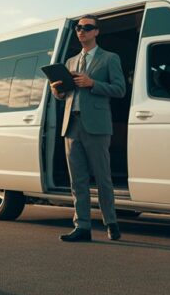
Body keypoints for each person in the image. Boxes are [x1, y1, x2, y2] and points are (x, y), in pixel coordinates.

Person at [49, 15, 126, 242]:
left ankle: (110, 222)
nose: (81, 31)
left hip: (98, 126)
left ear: (96, 32)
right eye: (78, 27)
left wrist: (93, 83)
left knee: (103, 179)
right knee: (77, 181)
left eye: (87, 27)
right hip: (71, 126)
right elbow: (66, 94)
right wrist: (58, 92)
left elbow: (120, 89)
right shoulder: (70, 62)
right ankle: (82, 226)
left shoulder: (110, 58)